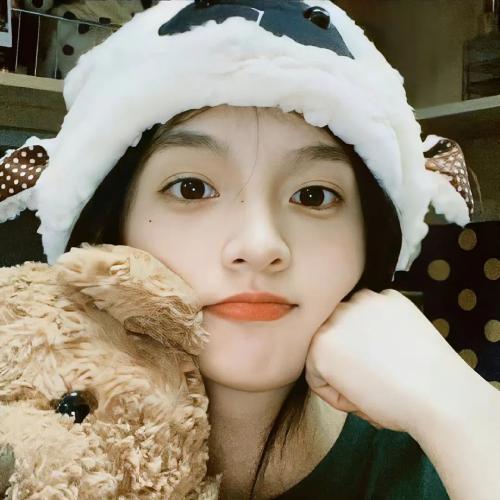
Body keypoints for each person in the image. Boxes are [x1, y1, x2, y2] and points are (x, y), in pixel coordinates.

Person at [0, 1, 499, 499]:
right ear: (112, 228)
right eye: (192, 188)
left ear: (371, 239)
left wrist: (462, 410)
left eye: (314, 196)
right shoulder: (25, 443)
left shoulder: (446, 455)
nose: (260, 246)